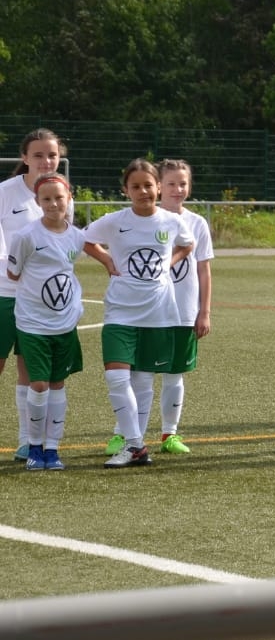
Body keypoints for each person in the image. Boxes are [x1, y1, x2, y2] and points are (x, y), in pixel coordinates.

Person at [82, 159, 196, 468]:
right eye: (136, 186)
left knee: (144, 381)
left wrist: (169, 263)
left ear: (158, 187)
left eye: (148, 185)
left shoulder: (171, 221)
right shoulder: (115, 221)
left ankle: (135, 447)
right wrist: (107, 260)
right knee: (116, 377)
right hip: (120, 311)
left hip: (158, 312)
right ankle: (134, 444)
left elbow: (188, 244)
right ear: (126, 190)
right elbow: (85, 240)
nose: (143, 191)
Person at [114, 158, 213, 457]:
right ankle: (126, 435)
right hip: (147, 311)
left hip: (182, 311)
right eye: (171, 183)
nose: (177, 189)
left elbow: (203, 270)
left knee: (174, 374)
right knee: (138, 376)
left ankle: (170, 433)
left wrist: (204, 311)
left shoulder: (197, 223)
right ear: (159, 186)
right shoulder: (143, 219)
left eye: (183, 183)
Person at [6, 174, 86, 471]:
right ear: (38, 202)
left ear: (69, 199)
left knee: (57, 384)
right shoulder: (26, 236)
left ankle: (52, 448)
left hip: (64, 323)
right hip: (32, 323)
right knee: (38, 384)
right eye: (47, 199)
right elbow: (14, 273)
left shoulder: (76, 237)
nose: (53, 204)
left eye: (59, 198)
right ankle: (34, 446)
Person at [2, 128, 63, 461]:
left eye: (52, 155)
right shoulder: (5, 193)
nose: (46, 161)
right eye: (38, 155)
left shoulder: (61, 195)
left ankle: (26, 441)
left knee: (29, 370)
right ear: (24, 158)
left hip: (40, 301)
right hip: (3, 293)